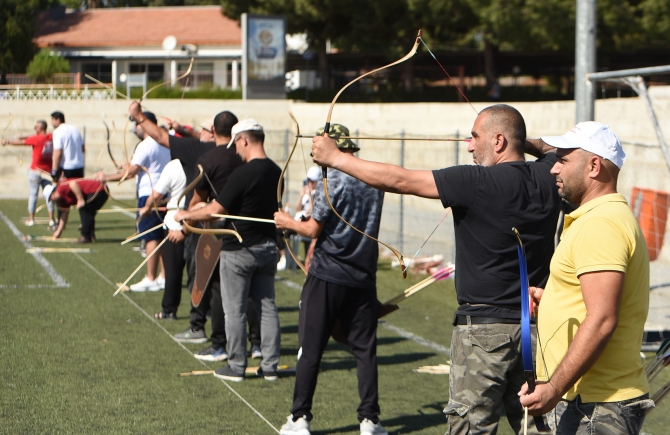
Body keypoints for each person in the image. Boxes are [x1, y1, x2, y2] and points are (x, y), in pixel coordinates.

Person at [311, 104, 560, 435]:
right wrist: (522, 141)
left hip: (484, 332)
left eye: (475, 137)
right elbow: (554, 151)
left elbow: (400, 180)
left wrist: (337, 159)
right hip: (537, 329)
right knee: (540, 429)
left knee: (470, 429)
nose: (469, 145)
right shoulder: (549, 175)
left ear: (498, 141)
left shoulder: (476, 181)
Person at [518, 122, 654, 434]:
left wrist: (553, 388)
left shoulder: (600, 225)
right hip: (592, 399)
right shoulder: (598, 218)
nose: (554, 169)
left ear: (594, 166)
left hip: (598, 404)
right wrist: (551, 298)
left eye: (563, 160)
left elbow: (603, 317)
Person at [274, 124, 388, 435]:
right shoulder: (372, 178)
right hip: (363, 276)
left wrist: (286, 221)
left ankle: (299, 419)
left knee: (310, 349)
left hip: (328, 275)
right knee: (365, 350)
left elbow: (312, 230)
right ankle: (370, 421)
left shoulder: (331, 178)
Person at [175, 119, 281, 382]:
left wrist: (185, 215)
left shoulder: (242, 173)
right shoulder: (276, 170)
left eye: (237, 145)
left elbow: (216, 210)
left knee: (234, 310)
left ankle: (236, 365)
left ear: (244, 139)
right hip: (268, 247)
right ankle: (270, 366)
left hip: (239, 249)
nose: (236, 151)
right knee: (267, 307)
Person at [96, 111, 170, 291]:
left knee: (151, 236)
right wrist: (127, 165)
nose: (135, 127)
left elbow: (132, 173)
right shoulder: (166, 141)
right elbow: (141, 165)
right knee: (162, 235)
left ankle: (151, 278)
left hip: (148, 194)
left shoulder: (146, 145)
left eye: (137, 123)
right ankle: (163, 277)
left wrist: (107, 177)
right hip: (165, 193)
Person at [137, 158, 187, 320]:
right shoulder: (200, 160)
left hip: (175, 224)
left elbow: (156, 194)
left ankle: (169, 310)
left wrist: (147, 207)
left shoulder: (173, 166)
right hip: (196, 223)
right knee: (197, 272)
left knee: (172, 271)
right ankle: (202, 311)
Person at [2, 120, 55, 227]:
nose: (34, 128)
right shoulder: (50, 136)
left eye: (35, 127)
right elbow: (32, 137)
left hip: (35, 171)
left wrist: (6, 142)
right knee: (50, 195)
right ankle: (52, 219)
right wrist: (23, 136)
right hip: (48, 172)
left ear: (40, 128)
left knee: (33, 195)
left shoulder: (36, 138)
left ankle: (31, 218)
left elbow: (21, 143)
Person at [44, 178, 108, 242]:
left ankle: (86, 237)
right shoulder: (63, 201)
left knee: (85, 209)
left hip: (98, 189)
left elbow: (73, 183)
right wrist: (59, 231)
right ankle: (90, 236)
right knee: (89, 212)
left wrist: (80, 199)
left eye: (50, 199)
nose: (52, 201)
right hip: (99, 190)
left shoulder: (61, 188)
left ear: (52, 194)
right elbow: (64, 215)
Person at [50, 111, 85, 180]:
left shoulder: (57, 131)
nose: (51, 122)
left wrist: (54, 170)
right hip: (79, 167)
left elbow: (58, 152)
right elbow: (83, 148)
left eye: (52, 120)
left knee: (65, 189)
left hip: (66, 168)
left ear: (58, 119)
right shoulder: (75, 129)